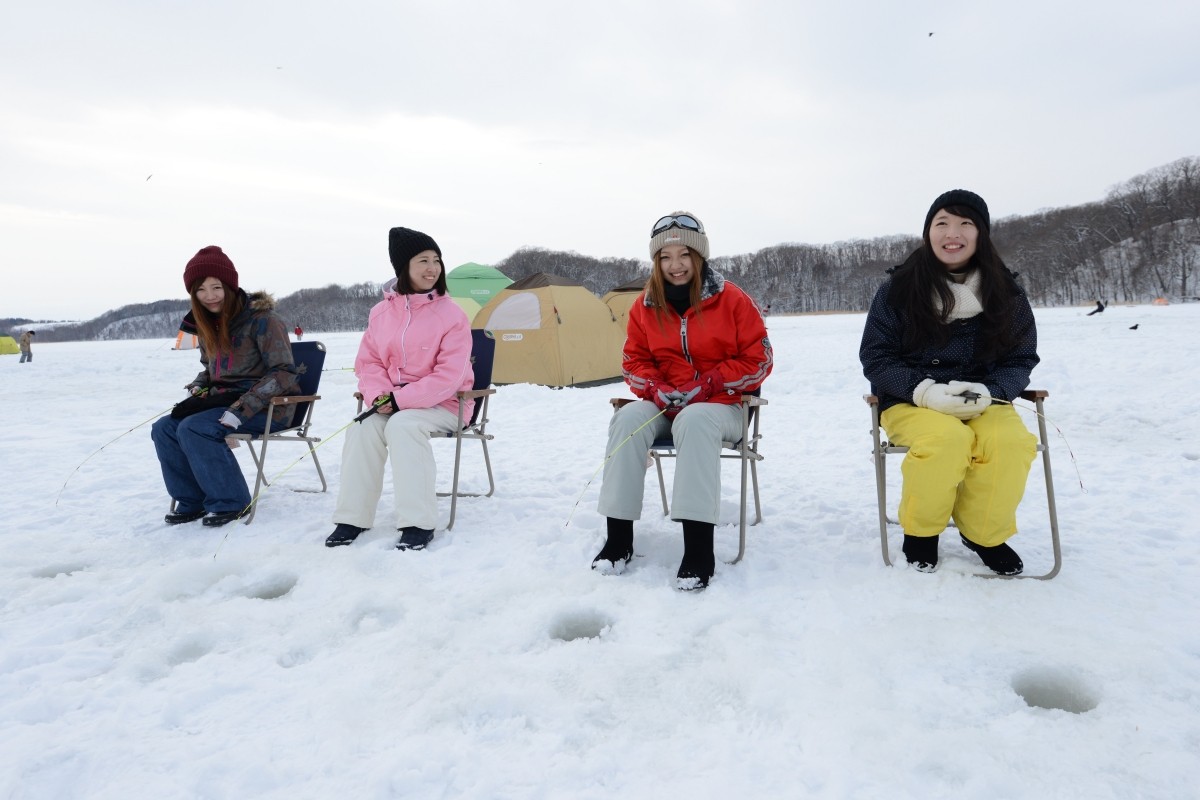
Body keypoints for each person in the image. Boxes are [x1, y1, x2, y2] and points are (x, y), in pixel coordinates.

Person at [859, 190, 1040, 575]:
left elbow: (1020, 357)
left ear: (981, 234)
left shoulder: (1006, 293)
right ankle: (921, 533)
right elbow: (876, 356)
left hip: (982, 398)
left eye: (964, 224)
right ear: (928, 232)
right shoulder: (898, 290)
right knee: (946, 440)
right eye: (941, 223)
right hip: (910, 399)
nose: (951, 233)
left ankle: (984, 533)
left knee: (1011, 442)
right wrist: (924, 391)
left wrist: (992, 392)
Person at [591, 211, 773, 590]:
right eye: (665, 257)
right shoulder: (645, 306)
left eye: (684, 255)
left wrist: (707, 386)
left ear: (699, 256)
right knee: (627, 419)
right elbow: (633, 361)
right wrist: (655, 389)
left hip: (723, 408)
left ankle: (698, 548)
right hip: (665, 403)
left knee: (696, 419)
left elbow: (760, 359)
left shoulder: (733, 300)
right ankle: (619, 540)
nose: (675, 265)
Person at [325, 227, 473, 551]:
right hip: (391, 403)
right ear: (403, 267)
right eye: (423, 260)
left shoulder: (452, 315)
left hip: (446, 405)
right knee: (362, 429)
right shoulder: (381, 313)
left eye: (436, 260)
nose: (432, 268)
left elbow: (450, 375)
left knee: (405, 426)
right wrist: (380, 396)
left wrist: (400, 400)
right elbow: (369, 363)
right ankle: (352, 518)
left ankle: (418, 523)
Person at [151, 246, 300, 527]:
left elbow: (283, 373)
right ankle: (192, 499)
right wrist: (198, 386)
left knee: (194, 427)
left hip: (268, 408)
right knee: (163, 428)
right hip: (222, 404)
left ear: (230, 286)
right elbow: (210, 370)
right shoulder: (209, 324)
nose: (210, 295)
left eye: (216, 287)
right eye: (201, 289)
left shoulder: (263, 321)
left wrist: (242, 408)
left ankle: (231, 501)